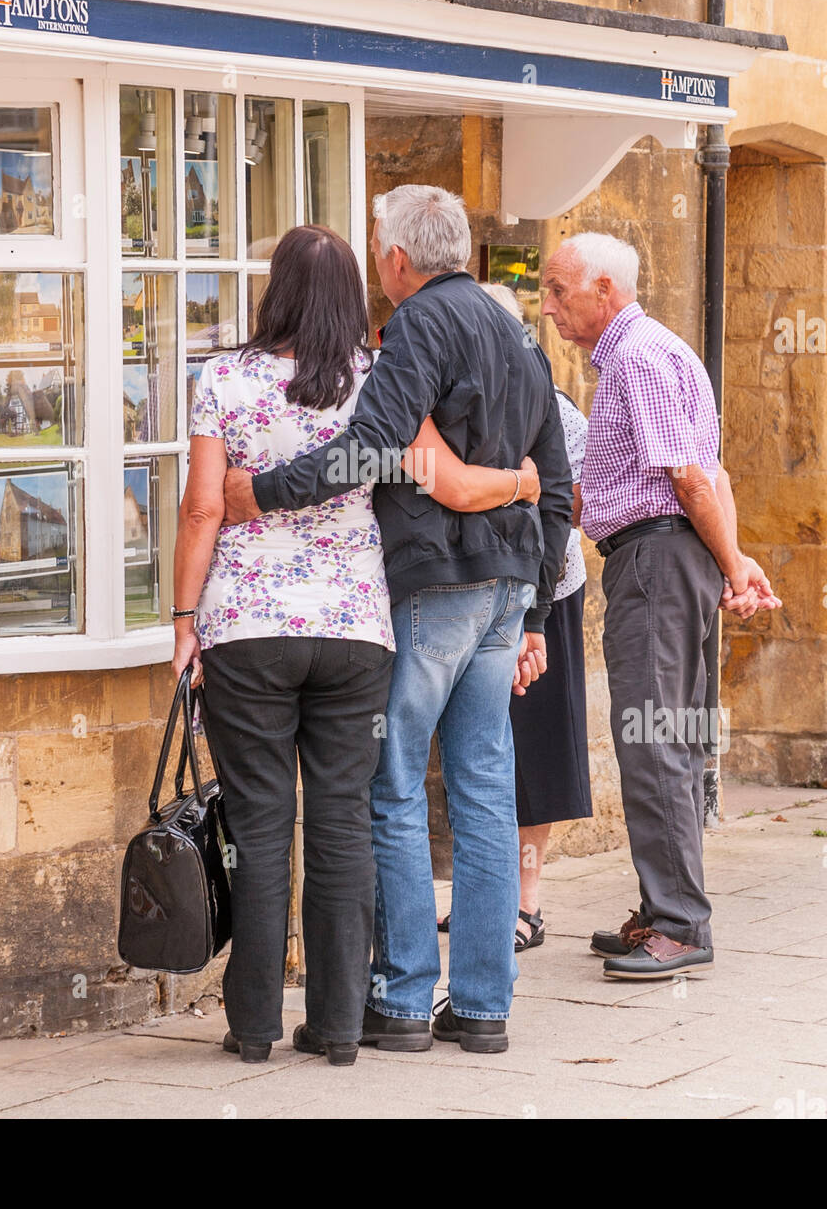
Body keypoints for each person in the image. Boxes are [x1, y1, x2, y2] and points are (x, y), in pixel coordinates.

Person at [172, 223, 543, 1066]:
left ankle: (255, 1026)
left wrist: (183, 619)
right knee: (342, 823)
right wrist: (526, 482)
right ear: (353, 294)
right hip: (355, 629)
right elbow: (438, 474)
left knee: (261, 825)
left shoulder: (223, 377)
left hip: (249, 631)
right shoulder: (381, 378)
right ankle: (340, 1026)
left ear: (274, 289)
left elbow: (202, 510)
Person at [538, 233, 780, 980]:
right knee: (670, 734)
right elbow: (714, 475)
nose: (548, 306)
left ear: (604, 290)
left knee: (654, 741)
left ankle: (680, 923)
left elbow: (691, 480)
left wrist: (735, 564)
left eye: (557, 291)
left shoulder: (637, 360)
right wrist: (732, 567)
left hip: (656, 562)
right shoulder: (658, 350)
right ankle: (661, 910)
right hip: (675, 558)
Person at [436, 283, 592, 953]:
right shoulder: (447, 408)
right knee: (477, 747)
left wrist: (536, 609)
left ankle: (526, 904)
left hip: (543, 592)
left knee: (536, 742)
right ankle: (484, 898)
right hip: (466, 591)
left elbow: (571, 509)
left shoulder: (559, 412)